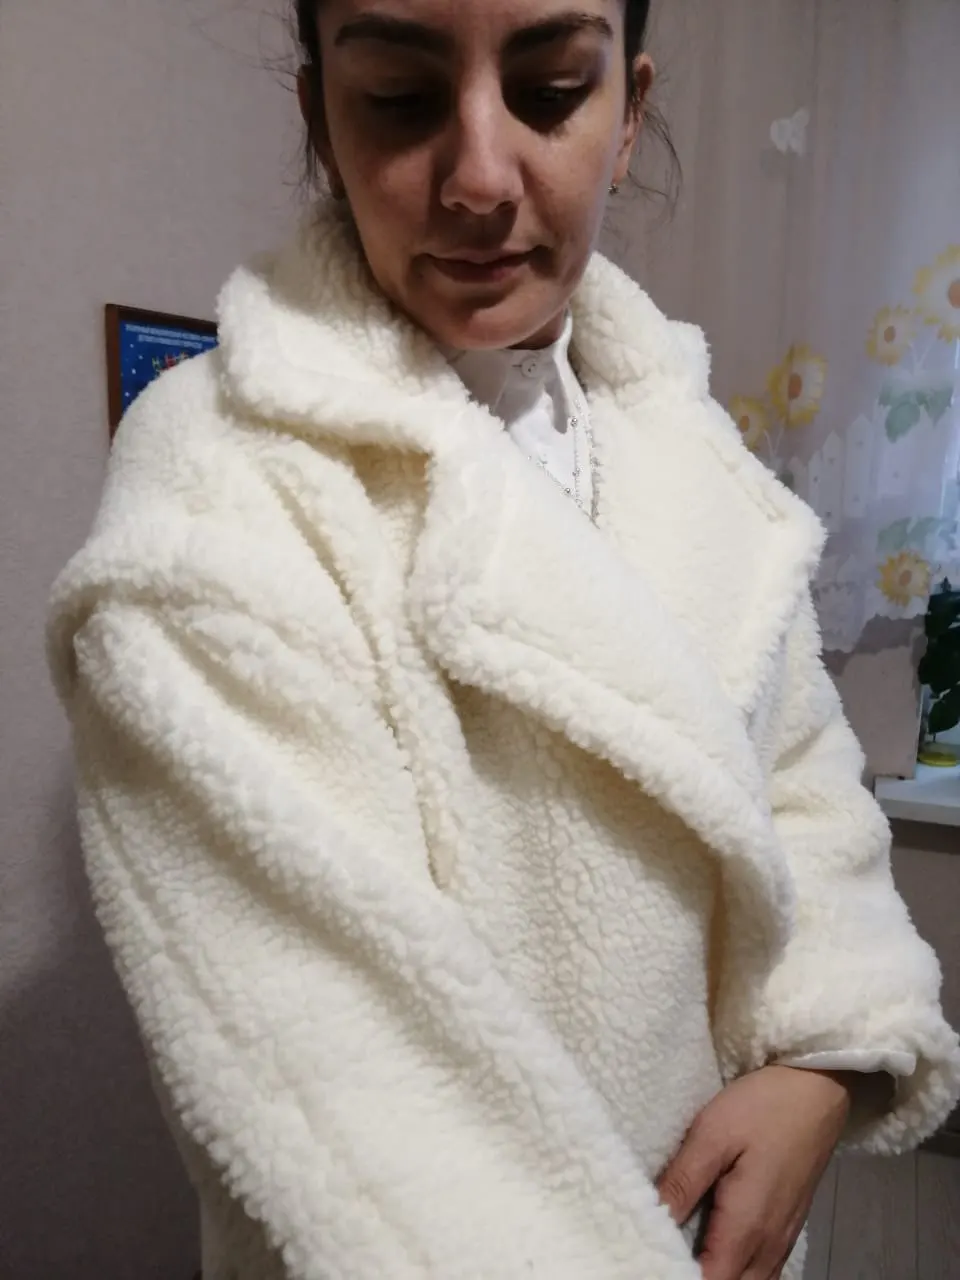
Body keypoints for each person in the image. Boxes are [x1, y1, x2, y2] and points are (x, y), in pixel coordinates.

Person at [48, 2, 960, 1279]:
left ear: (629, 112)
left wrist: (827, 1058)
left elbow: (802, 787)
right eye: (401, 97)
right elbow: (344, 1080)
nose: (479, 177)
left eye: (549, 91)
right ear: (322, 116)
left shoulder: (683, 446)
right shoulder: (216, 489)